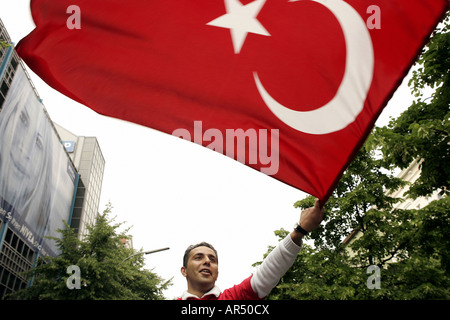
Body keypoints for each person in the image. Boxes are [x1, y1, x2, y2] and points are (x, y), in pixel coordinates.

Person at [178, 199, 324, 300]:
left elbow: (267, 272)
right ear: (184, 270)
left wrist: (299, 231)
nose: (207, 262)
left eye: (212, 259)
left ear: (217, 272)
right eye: (198, 257)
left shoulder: (236, 297)